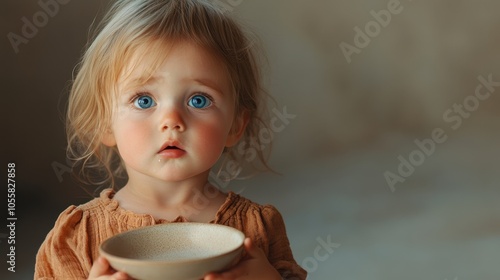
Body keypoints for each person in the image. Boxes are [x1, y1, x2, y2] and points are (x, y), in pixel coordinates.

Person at [34, 0, 306, 279]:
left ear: (236, 125)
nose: (171, 120)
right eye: (143, 100)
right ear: (104, 123)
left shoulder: (257, 227)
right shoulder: (76, 236)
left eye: (198, 100)